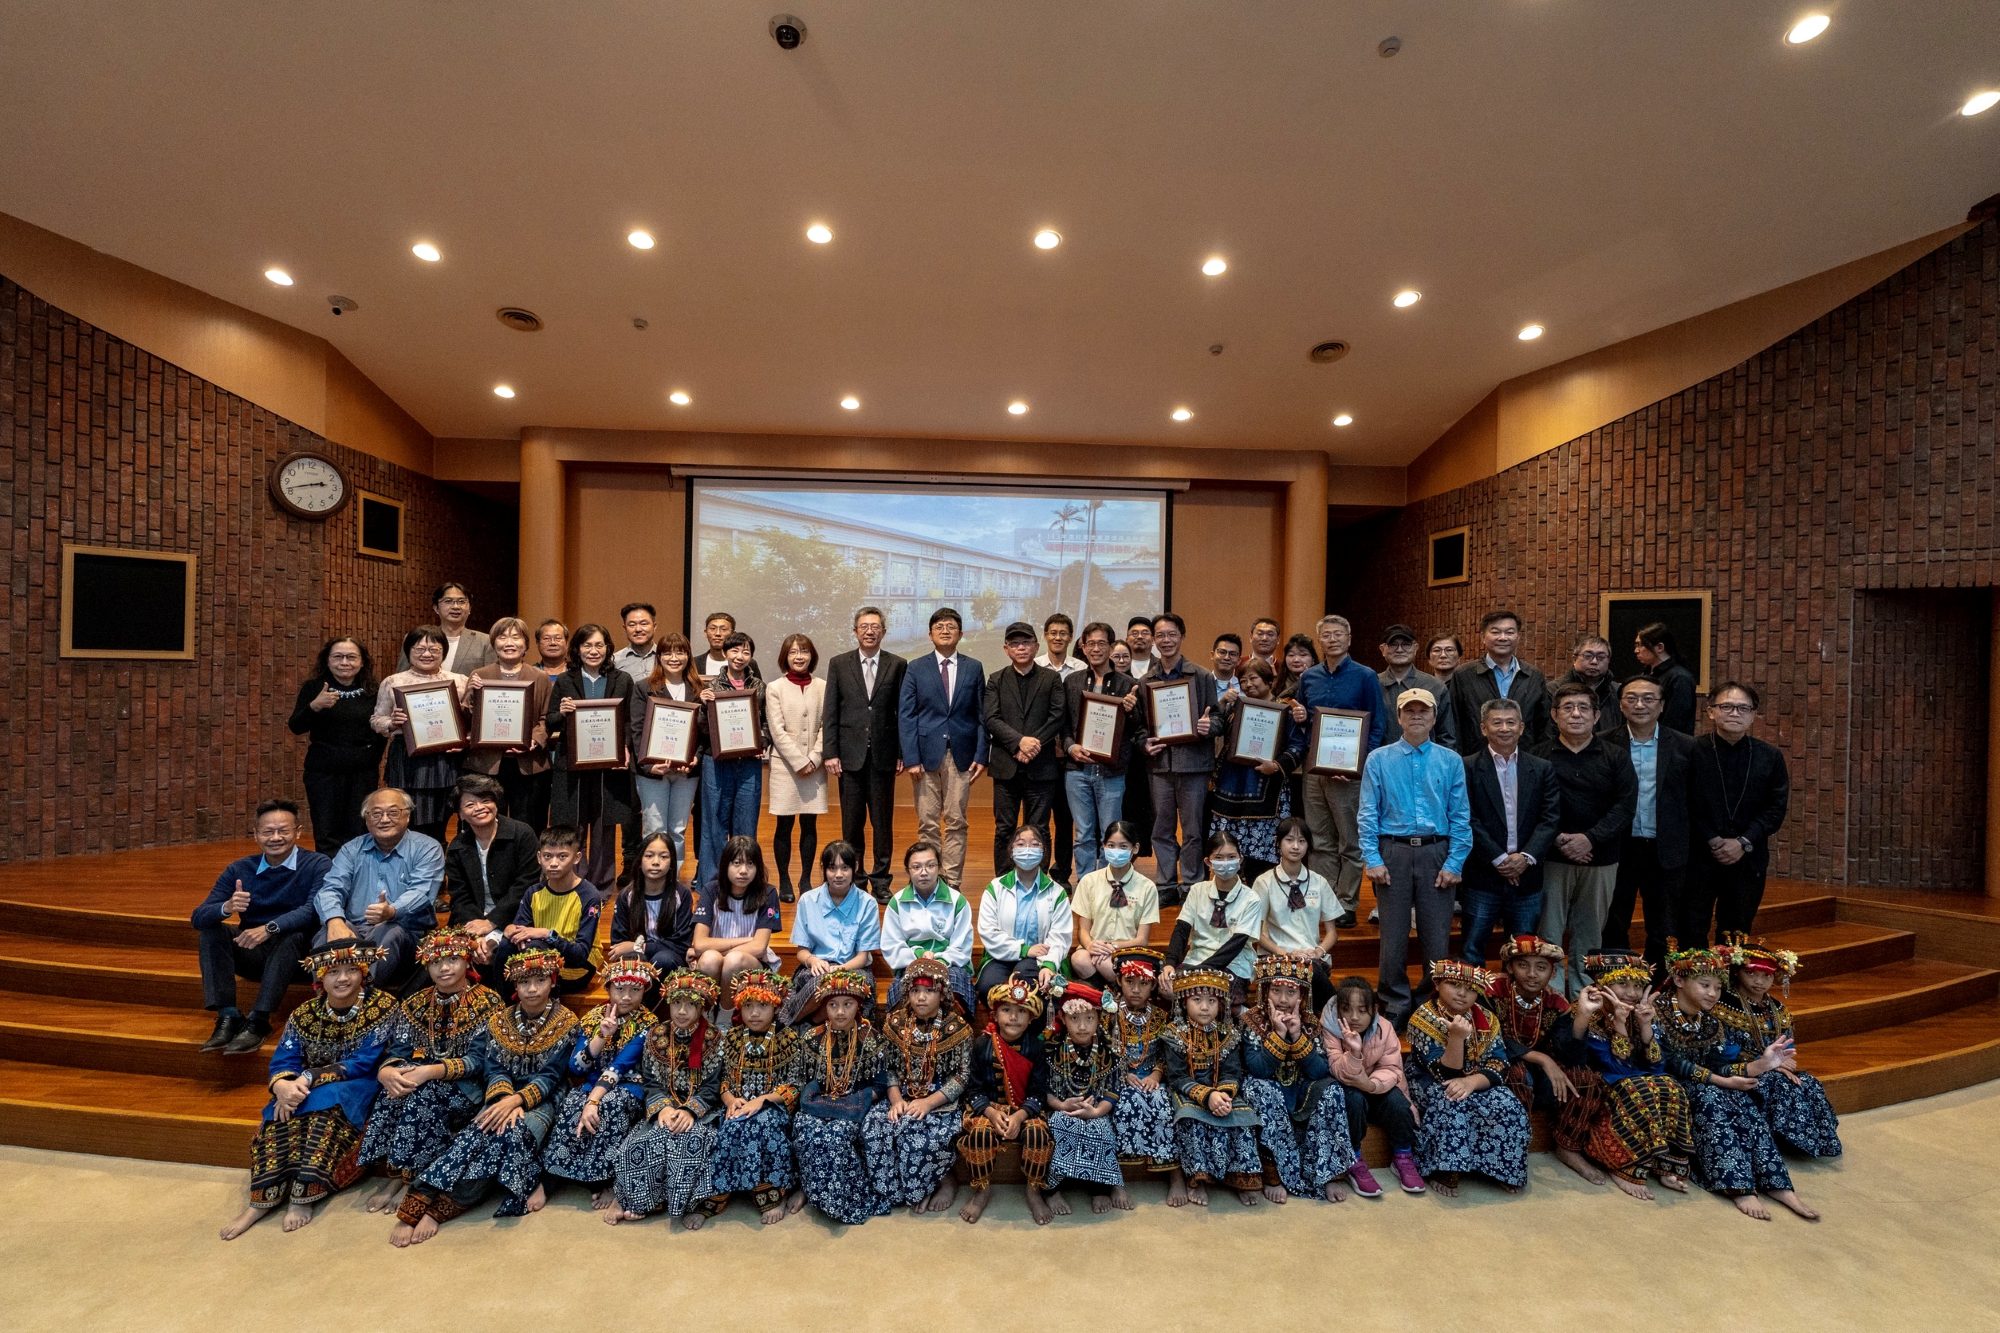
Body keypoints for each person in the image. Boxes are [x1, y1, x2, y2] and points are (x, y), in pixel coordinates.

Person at [219, 939, 395, 1240]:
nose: (343, 978)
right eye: (333, 972)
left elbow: (363, 1063)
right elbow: (284, 1060)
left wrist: (309, 1079)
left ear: (363, 972)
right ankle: (261, 1200)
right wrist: (282, 1086)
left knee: (320, 1121)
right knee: (279, 1118)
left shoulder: (382, 1007)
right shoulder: (304, 1014)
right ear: (320, 978)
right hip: (303, 1088)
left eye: (352, 969)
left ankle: (304, 1196)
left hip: (355, 1090)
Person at [1655, 944, 1817, 1220]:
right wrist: (1722, 1081)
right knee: (1712, 1098)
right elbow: (1672, 1062)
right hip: (1670, 1082)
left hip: (1707, 1080)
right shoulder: (1659, 1012)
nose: (1713, 993)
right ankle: (1739, 1186)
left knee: (1744, 1102)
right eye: (1705, 985)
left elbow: (1721, 1062)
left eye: (1718, 988)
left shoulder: (1710, 1022)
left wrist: (1760, 1065)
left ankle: (1777, 1184)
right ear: (1679, 981)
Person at [356, 928, 507, 1217]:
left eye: (452, 959)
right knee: (394, 1091)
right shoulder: (415, 1002)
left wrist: (430, 1072)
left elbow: (480, 1061)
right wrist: (386, 1072)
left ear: (467, 962)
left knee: (423, 1095)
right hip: (421, 1074)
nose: (444, 968)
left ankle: (413, 1179)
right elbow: (398, 1049)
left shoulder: (489, 1003)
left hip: (468, 1086)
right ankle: (396, 1176)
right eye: (436, 962)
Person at [1356, 688, 1472, 1023]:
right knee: (1392, 936)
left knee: (1436, 937)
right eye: (1410, 711)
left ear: (1434, 717)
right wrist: (1373, 859)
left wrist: (1455, 862)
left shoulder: (1450, 760)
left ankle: (1430, 998)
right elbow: (1367, 813)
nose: (1417, 716)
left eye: (1424, 711)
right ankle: (1394, 1000)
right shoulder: (1379, 759)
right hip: (1393, 852)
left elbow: (1461, 815)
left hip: (1437, 851)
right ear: (1399, 717)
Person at [192, 799, 326, 1055]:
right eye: (268, 831)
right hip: (254, 949)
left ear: (297, 832)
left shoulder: (317, 864)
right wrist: (228, 907)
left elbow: (312, 911)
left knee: (293, 935)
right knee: (212, 930)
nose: (276, 837)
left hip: (298, 957)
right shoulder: (240, 869)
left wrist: (270, 928)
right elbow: (198, 917)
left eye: (283, 830)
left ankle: (259, 1020)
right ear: (256, 835)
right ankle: (228, 1015)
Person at [1533, 683, 1638, 996]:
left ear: (1596, 716)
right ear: (1554, 715)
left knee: (1590, 929)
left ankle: (1583, 990)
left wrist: (1590, 839)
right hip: (1552, 857)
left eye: (1583, 708)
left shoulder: (1616, 757)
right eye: (1567, 708)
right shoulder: (1539, 756)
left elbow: (1625, 805)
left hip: (1600, 857)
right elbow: (1529, 806)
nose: (1575, 714)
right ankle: (1550, 993)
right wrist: (1558, 839)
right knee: (1549, 927)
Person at [1568, 951, 1694, 1200]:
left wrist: (1646, 1025)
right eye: (1622, 983)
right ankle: (1623, 1164)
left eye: (1637, 985)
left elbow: (1658, 1067)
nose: (1632, 993)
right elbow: (1618, 1069)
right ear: (1601, 985)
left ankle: (1664, 1164)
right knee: (1639, 1089)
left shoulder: (1642, 1011)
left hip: (1636, 1076)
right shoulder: (1588, 1013)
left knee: (1671, 1086)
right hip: (1602, 1080)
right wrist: (1620, 1025)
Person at [604, 968, 724, 1228]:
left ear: (702, 1007)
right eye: (676, 1003)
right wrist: (663, 1110)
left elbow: (713, 1086)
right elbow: (651, 1081)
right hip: (665, 1107)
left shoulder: (714, 1038)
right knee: (640, 1143)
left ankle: (692, 1206)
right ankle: (632, 1199)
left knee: (690, 1141)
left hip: (703, 1112)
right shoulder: (656, 1035)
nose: (682, 1011)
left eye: (690, 1005)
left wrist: (691, 1111)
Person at [1295, 614, 1392, 927]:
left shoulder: (1365, 677)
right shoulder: (1308, 677)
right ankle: (1325, 901)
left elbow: (1377, 724)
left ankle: (1346, 902)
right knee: (1320, 839)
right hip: (1315, 770)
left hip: (1348, 772)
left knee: (1349, 840)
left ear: (1349, 640)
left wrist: (1357, 766)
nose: (1333, 639)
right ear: (1320, 641)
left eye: (1339, 634)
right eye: (1327, 635)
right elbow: (1301, 720)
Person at [1403, 959, 1531, 1197]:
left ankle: (1499, 1168)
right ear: (1438, 983)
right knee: (1450, 1099)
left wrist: (1472, 1082)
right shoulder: (1423, 1018)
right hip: (1431, 1081)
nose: (1462, 994)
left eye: (1471, 989)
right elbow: (1444, 1073)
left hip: (1476, 1079)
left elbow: (1499, 1063)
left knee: (1508, 1104)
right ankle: (1445, 1169)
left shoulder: (1486, 1018)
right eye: (1453, 984)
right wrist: (1456, 1038)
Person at [1240, 955, 1360, 1204]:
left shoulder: (1310, 1021)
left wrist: (1296, 1035)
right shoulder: (1251, 1020)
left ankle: (1327, 1174)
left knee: (1332, 1090)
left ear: (1302, 995)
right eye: (1276, 990)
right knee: (1260, 1088)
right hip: (1267, 1091)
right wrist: (1280, 1036)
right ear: (1264, 990)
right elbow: (1257, 1069)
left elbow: (1319, 1071)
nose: (1283, 1000)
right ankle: (1274, 1175)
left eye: (1290, 992)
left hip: (1300, 1091)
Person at [539, 957, 659, 1205]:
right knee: (572, 1102)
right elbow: (576, 1066)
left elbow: (621, 1065)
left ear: (644, 991)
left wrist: (593, 1101)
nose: (626, 997)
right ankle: (551, 1176)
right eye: (620, 989)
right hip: (592, 1084)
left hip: (629, 1086)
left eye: (635, 990)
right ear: (608, 988)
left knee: (611, 1105)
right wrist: (602, 1037)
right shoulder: (594, 1017)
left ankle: (604, 1180)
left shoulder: (648, 1023)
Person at [1488, 933, 1603, 1185]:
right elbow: (1490, 1038)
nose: (1532, 974)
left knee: (1584, 1078)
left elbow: (1570, 1054)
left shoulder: (1556, 1002)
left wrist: (1582, 1016)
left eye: (1541, 967)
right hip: (1498, 1062)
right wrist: (1540, 1058)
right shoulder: (1492, 990)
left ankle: (1568, 1147)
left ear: (1552, 973)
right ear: (1509, 967)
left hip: (1540, 1072)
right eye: (1523, 965)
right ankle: (1510, 1150)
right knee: (1517, 1075)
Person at [864, 956, 974, 1215]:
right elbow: (888, 1067)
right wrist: (895, 1100)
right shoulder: (895, 1022)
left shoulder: (956, 1028)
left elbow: (962, 1076)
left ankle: (937, 1184)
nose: (921, 997)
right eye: (915, 991)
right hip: (901, 1096)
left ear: (942, 994)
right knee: (874, 1126)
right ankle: (896, 1193)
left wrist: (928, 1102)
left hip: (940, 1103)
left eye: (929, 991)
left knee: (915, 1134)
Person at [1718, 934, 1842, 1161]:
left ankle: (1810, 1140)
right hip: (1739, 1069)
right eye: (1751, 973)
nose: (1759, 981)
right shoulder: (1724, 1004)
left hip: (1773, 1065)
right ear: (1736, 972)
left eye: (1766, 975)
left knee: (1809, 1083)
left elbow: (1787, 1043)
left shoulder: (1778, 1008)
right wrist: (1768, 1065)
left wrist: (1783, 1062)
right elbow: (1724, 1051)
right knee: (1776, 1084)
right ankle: (1780, 1139)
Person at [1684, 682, 1790, 943]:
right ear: (1710, 712)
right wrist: (1712, 839)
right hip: (1698, 856)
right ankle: (1693, 984)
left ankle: (1729, 984)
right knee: (1691, 927)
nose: (1735, 713)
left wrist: (1743, 842)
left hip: (1748, 857)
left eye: (1743, 708)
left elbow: (1775, 809)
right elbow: (1684, 803)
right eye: (1727, 707)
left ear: (1754, 715)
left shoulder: (1770, 756)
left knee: (1736, 931)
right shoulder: (1691, 751)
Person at [1460, 698, 1562, 965]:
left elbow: (1550, 819)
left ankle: (1517, 1005)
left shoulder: (1541, 768)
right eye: (1497, 723)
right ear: (1484, 728)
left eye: (1510, 722)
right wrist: (1500, 859)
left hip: (1527, 875)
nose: (1504, 728)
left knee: (1524, 951)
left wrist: (1524, 857)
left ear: (1521, 727)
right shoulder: (1467, 767)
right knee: (1472, 948)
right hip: (1483, 874)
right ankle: (1476, 1003)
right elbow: (1466, 817)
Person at [314, 787, 446, 989]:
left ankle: (362, 999)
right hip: (355, 928)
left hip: (406, 933)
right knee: (328, 933)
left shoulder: (427, 847)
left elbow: (422, 893)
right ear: (366, 818)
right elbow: (331, 888)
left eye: (393, 812)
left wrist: (392, 911)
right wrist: (334, 920)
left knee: (388, 931)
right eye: (376, 813)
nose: (384, 819)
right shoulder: (351, 849)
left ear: (407, 816)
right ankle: (326, 1002)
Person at [789, 968, 891, 1225]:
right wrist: (816, 1099)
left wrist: (853, 1101)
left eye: (847, 1004)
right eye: (833, 1005)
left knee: (835, 1136)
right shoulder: (812, 1039)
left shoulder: (871, 1039)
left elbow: (880, 1085)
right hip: (818, 1102)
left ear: (859, 1005)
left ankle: (839, 1200)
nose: (840, 1012)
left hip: (854, 1104)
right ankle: (808, 1189)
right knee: (806, 1130)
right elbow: (801, 1079)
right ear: (824, 1007)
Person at [1605, 676, 1694, 966]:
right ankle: (1616, 978)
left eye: (1648, 698)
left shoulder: (1686, 746)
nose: (1639, 705)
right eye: (1631, 698)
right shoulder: (1604, 742)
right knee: (1614, 917)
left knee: (1664, 921)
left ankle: (1659, 983)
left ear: (1662, 705)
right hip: (1620, 845)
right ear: (1621, 704)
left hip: (1665, 846)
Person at [899, 607, 988, 890]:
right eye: (939, 626)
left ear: (961, 633)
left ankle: (951, 882)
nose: (945, 630)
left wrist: (981, 754)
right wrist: (911, 757)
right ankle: (929, 879)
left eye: (951, 626)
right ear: (930, 634)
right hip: (925, 758)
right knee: (927, 823)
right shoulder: (916, 667)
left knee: (956, 820)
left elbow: (982, 715)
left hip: (961, 755)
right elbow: (907, 714)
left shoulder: (974, 667)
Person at [705, 968, 802, 1224]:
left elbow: (795, 1085)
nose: (755, 1013)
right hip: (738, 1104)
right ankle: (721, 1192)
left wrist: (764, 1100)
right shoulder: (732, 1038)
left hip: (772, 1107)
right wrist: (729, 1099)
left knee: (761, 1127)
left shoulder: (789, 1038)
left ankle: (769, 1193)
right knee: (729, 1127)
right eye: (748, 1006)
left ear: (776, 1007)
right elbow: (722, 1078)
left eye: (762, 1005)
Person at [823, 605, 907, 901]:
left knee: (883, 822)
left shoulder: (897, 664)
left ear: (883, 631)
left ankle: (881, 879)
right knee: (852, 821)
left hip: (884, 756)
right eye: (864, 626)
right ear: (855, 631)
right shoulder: (839, 663)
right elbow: (830, 711)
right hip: (849, 757)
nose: (869, 631)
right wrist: (830, 753)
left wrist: (901, 751)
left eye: (875, 626)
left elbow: (902, 713)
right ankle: (855, 878)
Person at [1161, 968, 1264, 1208]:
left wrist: (1224, 1095)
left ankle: (1240, 1179)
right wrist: (1207, 1096)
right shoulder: (1173, 1034)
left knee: (1242, 1119)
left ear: (1222, 1004)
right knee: (1191, 1119)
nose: (1205, 1007)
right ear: (1184, 1002)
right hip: (1187, 1092)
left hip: (1223, 1091)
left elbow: (1232, 1071)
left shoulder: (1228, 1033)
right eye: (1197, 1000)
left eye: (1211, 1001)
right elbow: (1176, 1076)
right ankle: (1199, 1179)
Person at [546, 623, 638, 890]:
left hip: (608, 767)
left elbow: (629, 722)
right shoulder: (565, 680)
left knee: (604, 826)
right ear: (577, 649)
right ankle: (571, 880)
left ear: (608, 648)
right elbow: (550, 721)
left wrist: (626, 747)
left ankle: (600, 884)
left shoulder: (622, 680)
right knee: (571, 824)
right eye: (587, 645)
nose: (593, 650)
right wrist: (561, 712)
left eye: (599, 645)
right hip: (571, 764)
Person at [957, 975, 1055, 1224]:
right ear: (995, 1014)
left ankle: (1033, 1190)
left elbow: (1039, 1092)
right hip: (988, 1108)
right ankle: (982, 1189)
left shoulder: (1036, 1048)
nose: (1013, 1017)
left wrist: (1021, 1115)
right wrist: (990, 1112)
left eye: (1021, 1011)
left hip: (1025, 1109)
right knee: (979, 1135)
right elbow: (973, 1089)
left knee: (1037, 1135)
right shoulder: (981, 1045)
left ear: (1032, 1017)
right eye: (1007, 1010)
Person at [1142, 612, 1219, 900]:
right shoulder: (1145, 680)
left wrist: (1209, 726)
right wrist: (1144, 744)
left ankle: (1191, 885)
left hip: (1194, 765)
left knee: (1192, 831)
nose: (1166, 640)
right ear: (1153, 640)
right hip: (1160, 765)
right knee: (1161, 829)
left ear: (1182, 637)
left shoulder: (1200, 676)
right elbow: (1140, 726)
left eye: (1171, 634)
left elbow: (1219, 717)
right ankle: (1165, 884)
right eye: (1160, 635)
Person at [1209, 657, 1305, 883]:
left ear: (1269, 681)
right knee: (1230, 845)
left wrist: (1278, 765)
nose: (1248, 685)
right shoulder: (1234, 707)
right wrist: (1222, 704)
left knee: (1264, 853)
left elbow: (1298, 746)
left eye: (1253, 678)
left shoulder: (1286, 709)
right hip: (1232, 785)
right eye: (1243, 680)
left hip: (1268, 787)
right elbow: (1216, 728)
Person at [1323, 976, 1421, 1195]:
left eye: (1362, 1010)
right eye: (1347, 1009)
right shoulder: (1329, 1029)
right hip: (1346, 1088)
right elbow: (1338, 1069)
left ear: (1374, 1010)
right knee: (1354, 1099)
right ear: (1338, 1010)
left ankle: (1402, 1156)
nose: (1355, 1017)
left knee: (1397, 1102)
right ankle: (1354, 1159)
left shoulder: (1384, 1028)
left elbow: (1393, 1069)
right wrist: (1355, 1053)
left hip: (1373, 1085)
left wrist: (1371, 1084)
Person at [986, 620, 1066, 882]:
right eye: (1015, 644)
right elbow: (991, 718)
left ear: (1036, 645)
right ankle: (1004, 880)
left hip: (1041, 767)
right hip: (1006, 765)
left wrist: (1033, 745)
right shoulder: (996, 679)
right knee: (1005, 828)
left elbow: (1057, 717)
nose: (1021, 648)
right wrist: (1018, 742)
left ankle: (1039, 880)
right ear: (1006, 649)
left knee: (1040, 828)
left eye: (1026, 643)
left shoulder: (1051, 678)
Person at [1062, 620, 1143, 877]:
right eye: (1091, 644)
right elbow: (1063, 726)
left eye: (1101, 643)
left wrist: (1131, 712)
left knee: (1111, 832)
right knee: (1083, 832)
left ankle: (1109, 881)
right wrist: (1070, 746)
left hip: (1111, 772)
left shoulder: (1127, 684)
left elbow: (1138, 728)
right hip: (1077, 770)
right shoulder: (1072, 682)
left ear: (1111, 647)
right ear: (1083, 648)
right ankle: (1086, 884)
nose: (1096, 649)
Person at [372, 625, 467, 845]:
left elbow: (471, 720)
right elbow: (376, 720)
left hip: (447, 759)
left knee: (443, 819)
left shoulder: (460, 681)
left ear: (443, 652)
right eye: (419, 649)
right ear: (408, 652)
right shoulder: (393, 682)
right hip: (408, 759)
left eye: (434, 649)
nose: (426, 654)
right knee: (410, 819)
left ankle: (438, 866)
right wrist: (391, 722)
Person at [288, 636, 385, 849]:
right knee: (326, 828)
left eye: (351, 657)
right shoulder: (314, 688)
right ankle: (330, 878)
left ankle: (356, 877)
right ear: (327, 660)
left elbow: (380, 731)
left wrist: (369, 758)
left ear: (362, 662)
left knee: (359, 828)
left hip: (362, 772)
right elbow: (295, 726)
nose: (344, 663)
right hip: (323, 772)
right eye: (338, 657)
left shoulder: (374, 690)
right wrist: (314, 706)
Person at [460, 617, 555, 831]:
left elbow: (546, 718)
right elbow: (466, 719)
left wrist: (535, 739)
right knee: (488, 823)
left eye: (516, 637)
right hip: (487, 765)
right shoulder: (480, 675)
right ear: (494, 643)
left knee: (529, 824)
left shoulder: (539, 677)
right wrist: (471, 694)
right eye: (502, 637)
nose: (509, 642)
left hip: (529, 764)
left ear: (526, 645)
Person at [1042, 981, 1126, 1215]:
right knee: (1063, 1125)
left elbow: (1114, 1087)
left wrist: (1098, 1111)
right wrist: (1060, 1105)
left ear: (1099, 1020)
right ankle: (1053, 1188)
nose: (1081, 1026)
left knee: (1101, 1129)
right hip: (1059, 1108)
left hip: (1097, 1109)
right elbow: (1042, 1087)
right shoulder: (1051, 1048)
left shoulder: (1109, 1049)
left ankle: (1100, 1188)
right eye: (1075, 1019)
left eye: (1089, 1019)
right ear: (1062, 1018)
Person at [1102, 945, 1181, 1197]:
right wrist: (1121, 1073)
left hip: (1152, 1078)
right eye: (1129, 981)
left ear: (1154, 986)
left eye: (1143, 983)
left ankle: (1174, 1174)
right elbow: (1102, 1049)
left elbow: (1167, 1053)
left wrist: (1156, 1075)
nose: (1136, 989)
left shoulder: (1161, 1015)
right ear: (1118, 980)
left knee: (1163, 1102)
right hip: (1118, 1077)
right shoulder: (1108, 1014)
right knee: (1124, 1102)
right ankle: (1117, 1179)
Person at [440, 775, 540, 967]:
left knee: (503, 953)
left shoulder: (522, 833)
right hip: (472, 920)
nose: (479, 808)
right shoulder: (457, 846)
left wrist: (491, 922)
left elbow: (526, 884)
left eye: (486, 800)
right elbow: (459, 896)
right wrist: (475, 933)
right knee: (443, 956)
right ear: (460, 814)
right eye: (470, 804)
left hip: (516, 917)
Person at [781, 840, 882, 1027]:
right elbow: (801, 952)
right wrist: (813, 961)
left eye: (845, 868)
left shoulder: (868, 903)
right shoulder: (808, 900)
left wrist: (840, 969)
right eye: (832, 868)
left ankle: (800, 1023)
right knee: (819, 982)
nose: (838, 875)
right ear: (823, 869)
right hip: (817, 967)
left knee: (842, 986)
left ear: (855, 867)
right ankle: (801, 1024)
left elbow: (862, 957)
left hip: (854, 968)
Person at [697, 630, 767, 893]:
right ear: (725, 653)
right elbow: (701, 730)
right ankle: (712, 884)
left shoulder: (759, 687)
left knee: (746, 823)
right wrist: (703, 705)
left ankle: (745, 880)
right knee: (713, 823)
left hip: (748, 763)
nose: (740, 656)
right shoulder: (711, 688)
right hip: (716, 762)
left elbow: (767, 724)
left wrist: (762, 742)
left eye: (746, 651)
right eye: (735, 650)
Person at [1166, 831, 1266, 1012]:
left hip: (1234, 964)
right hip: (1196, 959)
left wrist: (1200, 972)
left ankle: (1244, 1015)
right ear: (1208, 862)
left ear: (1240, 859)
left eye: (1231, 857)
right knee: (1165, 987)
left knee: (1211, 993)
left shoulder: (1251, 898)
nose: (1226, 862)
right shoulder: (1197, 890)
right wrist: (1170, 963)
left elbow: (1236, 944)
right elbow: (1181, 929)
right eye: (1219, 857)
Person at [499, 826, 606, 994]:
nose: (554, 863)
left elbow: (580, 954)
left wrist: (547, 934)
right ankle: (505, 1006)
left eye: (562, 856)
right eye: (548, 856)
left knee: (536, 947)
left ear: (577, 858)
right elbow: (521, 934)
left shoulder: (589, 895)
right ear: (539, 857)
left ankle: (547, 1012)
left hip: (577, 968)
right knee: (506, 945)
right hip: (538, 960)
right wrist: (510, 929)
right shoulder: (533, 892)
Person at [630, 631, 703, 871]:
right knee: (654, 828)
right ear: (659, 656)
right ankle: (651, 877)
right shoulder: (644, 688)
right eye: (668, 652)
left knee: (678, 830)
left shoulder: (699, 689)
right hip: (653, 771)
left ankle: (673, 880)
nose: (674, 657)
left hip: (686, 772)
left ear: (688, 656)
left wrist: (696, 757)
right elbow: (637, 731)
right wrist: (649, 765)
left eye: (680, 652)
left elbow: (704, 732)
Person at [975, 824, 1071, 1000]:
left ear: (1043, 852)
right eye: (1020, 844)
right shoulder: (995, 888)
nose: (1027, 850)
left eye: (1035, 844)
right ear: (1011, 851)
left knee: (1027, 983)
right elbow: (988, 931)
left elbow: (1060, 936)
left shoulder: (1057, 892)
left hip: (1040, 957)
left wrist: (1049, 963)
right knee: (988, 986)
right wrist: (1024, 949)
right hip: (1001, 955)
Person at [880, 840, 976, 1017]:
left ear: (939, 868)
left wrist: (938, 961)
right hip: (910, 963)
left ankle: (954, 1037)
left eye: (930, 865)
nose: (923, 872)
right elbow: (891, 945)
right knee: (900, 991)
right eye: (916, 867)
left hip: (949, 965)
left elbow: (961, 947)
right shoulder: (898, 902)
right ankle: (905, 1040)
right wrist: (918, 957)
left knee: (954, 984)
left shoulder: (957, 901)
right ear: (908, 870)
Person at [767, 632, 828, 904]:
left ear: (812, 655)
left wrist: (814, 757)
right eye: (793, 652)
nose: (799, 656)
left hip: (815, 765)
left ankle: (805, 878)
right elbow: (776, 730)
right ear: (785, 657)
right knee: (784, 824)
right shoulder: (774, 687)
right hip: (785, 767)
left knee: (809, 823)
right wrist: (799, 760)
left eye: (803, 651)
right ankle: (784, 879)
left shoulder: (823, 686)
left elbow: (828, 725)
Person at [692, 836, 783, 1019]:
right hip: (715, 959)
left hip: (752, 963)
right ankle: (706, 1016)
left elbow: (758, 947)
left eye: (750, 864)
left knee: (732, 960)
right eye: (736, 863)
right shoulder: (711, 890)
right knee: (709, 959)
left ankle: (725, 1019)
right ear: (725, 865)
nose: (743, 871)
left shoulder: (768, 893)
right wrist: (744, 940)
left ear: (758, 867)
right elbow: (700, 944)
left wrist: (723, 955)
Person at [1253, 817, 1338, 1012]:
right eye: (1289, 840)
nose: (1295, 846)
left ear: (1308, 845)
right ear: (1279, 843)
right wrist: (1286, 953)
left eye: (1302, 841)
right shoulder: (1263, 882)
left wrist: (1318, 951)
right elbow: (1257, 934)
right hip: (1276, 957)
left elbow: (1332, 933)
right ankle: (1334, 1014)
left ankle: (1325, 1020)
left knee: (1312, 969)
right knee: (1311, 972)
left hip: (1312, 957)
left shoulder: (1319, 882)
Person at [1445, 610, 1552, 756]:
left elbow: (1543, 725)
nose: (1503, 637)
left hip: (1524, 760)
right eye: (1495, 632)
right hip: (1476, 761)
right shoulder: (1464, 675)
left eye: (1509, 632)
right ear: (1483, 637)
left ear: (1518, 637)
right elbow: (1454, 724)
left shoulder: (1533, 676)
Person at [1068, 821, 1160, 984]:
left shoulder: (1147, 887)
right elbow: (1083, 930)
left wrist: (1112, 947)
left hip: (1128, 952)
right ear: (1103, 846)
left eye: (1123, 846)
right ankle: (1106, 996)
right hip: (1095, 950)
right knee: (1079, 959)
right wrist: (1090, 945)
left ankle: (1118, 995)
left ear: (1135, 848)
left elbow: (1142, 940)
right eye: (1111, 845)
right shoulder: (1089, 881)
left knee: (1105, 962)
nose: (1116, 851)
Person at [607, 829, 697, 978]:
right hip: (636, 961)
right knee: (633, 960)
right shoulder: (626, 895)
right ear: (640, 861)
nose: (656, 862)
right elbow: (619, 943)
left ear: (672, 862)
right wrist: (636, 951)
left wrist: (640, 947)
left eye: (664, 857)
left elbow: (681, 944)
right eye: (649, 856)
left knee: (662, 959)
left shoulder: (682, 895)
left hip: (670, 961)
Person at [1038, 613, 1084, 883]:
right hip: (1041, 756)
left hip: (1069, 756)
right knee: (1040, 818)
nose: (1057, 637)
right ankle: (1039, 870)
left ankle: (1063, 872)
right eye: (1053, 632)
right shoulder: (1034, 665)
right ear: (1045, 635)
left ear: (1070, 636)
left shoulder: (1080, 668)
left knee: (1065, 820)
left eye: (1063, 633)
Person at [1377, 622, 1457, 752]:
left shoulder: (1435, 686)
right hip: (1383, 765)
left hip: (1427, 765)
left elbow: (1446, 736)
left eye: (1406, 644)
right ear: (1382, 649)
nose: (1399, 649)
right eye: (1393, 644)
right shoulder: (1372, 684)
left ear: (1415, 647)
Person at [397, 581, 495, 674]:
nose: (456, 607)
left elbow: (490, 679)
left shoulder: (485, 642)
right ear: (436, 608)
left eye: (461, 601)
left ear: (469, 608)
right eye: (448, 601)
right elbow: (401, 676)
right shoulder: (415, 638)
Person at [1634, 622, 1698, 734]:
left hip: (1670, 745)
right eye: (1636, 645)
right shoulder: (1646, 674)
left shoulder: (1680, 678)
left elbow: (1675, 723)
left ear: (1659, 647)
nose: (1636, 650)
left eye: (1641, 645)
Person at [1552, 635, 1620, 736]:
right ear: (1574, 659)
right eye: (1588, 656)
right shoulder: (1554, 689)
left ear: (1608, 660)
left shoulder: (1618, 691)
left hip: (1609, 749)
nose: (1594, 662)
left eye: (1601, 657)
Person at [612, 601, 660, 682]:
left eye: (644, 624)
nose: (638, 629)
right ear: (625, 628)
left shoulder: (667, 658)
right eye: (632, 625)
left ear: (654, 626)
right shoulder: (614, 661)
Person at [1210, 631, 1244, 699]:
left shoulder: (1244, 688)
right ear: (1212, 655)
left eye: (1232, 654)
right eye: (1222, 652)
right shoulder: (1201, 684)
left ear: (1239, 660)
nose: (1227, 658)